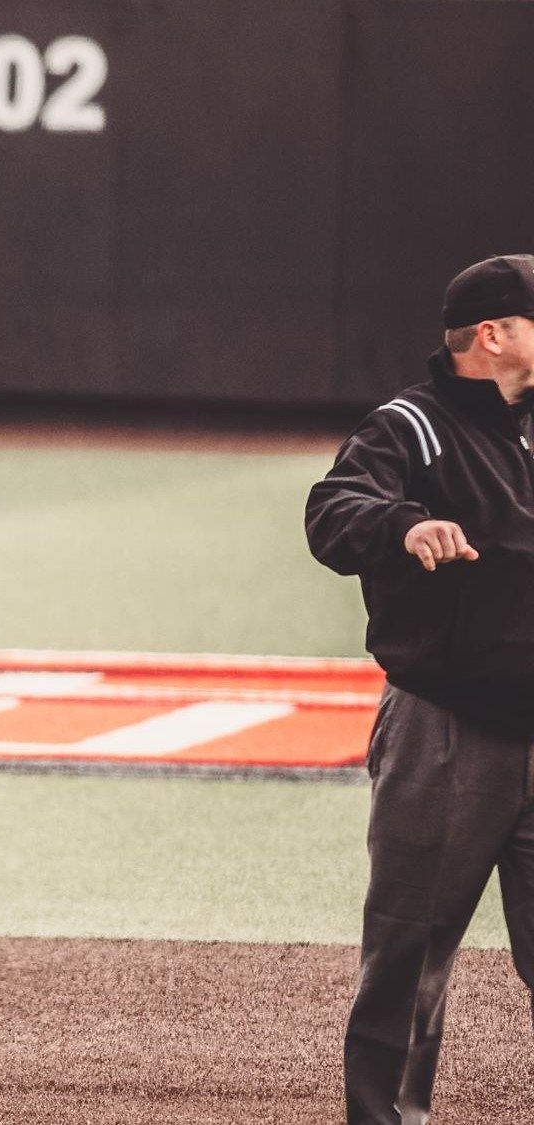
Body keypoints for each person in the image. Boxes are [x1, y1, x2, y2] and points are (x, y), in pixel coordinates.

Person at [306, 253, 534, 1125]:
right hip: (449, 736)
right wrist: (404, 523)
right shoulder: (410, 427)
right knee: (411, 959)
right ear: (496, 334)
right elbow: (333, 509)